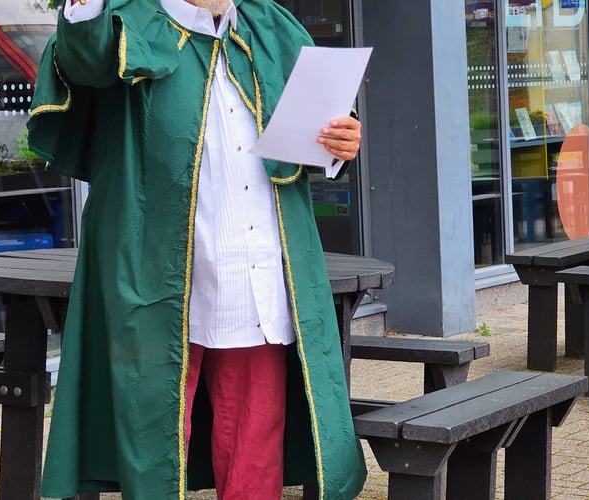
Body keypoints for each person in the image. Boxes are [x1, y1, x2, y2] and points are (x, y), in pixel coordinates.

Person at [27, 0, 367, 498]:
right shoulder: (126, 19)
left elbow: (318, 125)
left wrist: (341, 143)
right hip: (157, 274)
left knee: (256, 432)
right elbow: (85, 59)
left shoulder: (272, 26)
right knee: (154, 429)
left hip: (258, 267)